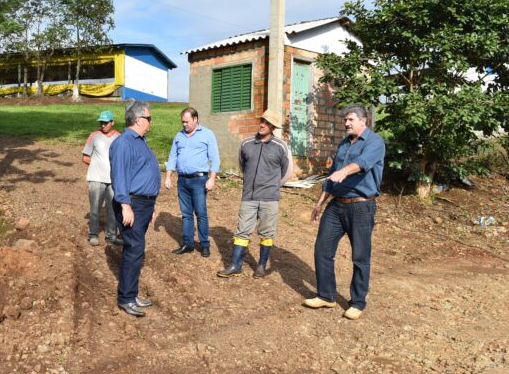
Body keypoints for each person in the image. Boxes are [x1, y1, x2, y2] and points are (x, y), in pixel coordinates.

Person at [303, 104, 385, 320]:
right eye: (345, 121)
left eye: (350, 120)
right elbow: (332, 175)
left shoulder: (375, 142)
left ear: (362, 121)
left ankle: (357, 302)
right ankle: (326, 296)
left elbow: (362, 164)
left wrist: (344, 171)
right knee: (322, 249)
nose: (346, 124)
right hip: (336, 205)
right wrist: (320, 202)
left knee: (360, 256)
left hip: (361, 206)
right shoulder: (343, 144)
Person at [217, 109, 293, 278]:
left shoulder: (280, 146)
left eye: (267, 123)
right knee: (242, 231)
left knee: (267, 233)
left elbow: (287, 171)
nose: (263, 125)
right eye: (262, 121)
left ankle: (261, 266)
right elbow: (243, 166)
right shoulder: (246, 143)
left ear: (273, 127)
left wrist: (273, 185)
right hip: (249, 196)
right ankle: (235, 265)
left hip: (269, 198)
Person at [109, 100, 160, 317]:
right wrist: (126, 206)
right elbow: (119, 177)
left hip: (143, 204)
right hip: (132, 203)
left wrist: (151, 206)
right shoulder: (124, 143)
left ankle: (132, 293)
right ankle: (126, 298)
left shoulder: (140, 141)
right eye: (148, 118)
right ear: (138, 120)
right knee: (134, 250)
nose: (150, 122)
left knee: (136, 250)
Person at [164, 107, 220, 258]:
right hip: (182, 180)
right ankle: (188, 244)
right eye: (182, 122)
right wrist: (168, 176)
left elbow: (214, 157)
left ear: (195, 119)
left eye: (187, 122)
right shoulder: (179, 136)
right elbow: (173, 156)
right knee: (186, 214)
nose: (184, 125)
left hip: (199, 180)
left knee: (201, 213)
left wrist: (212, 178)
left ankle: (204, 244)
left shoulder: (207, 134)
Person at [82, 110, 123, 247]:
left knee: (113, 209)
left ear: (112, 122)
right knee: (94, 209)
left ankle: (111, 236)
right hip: (96, 178)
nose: (103, 125)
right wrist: (97, 164)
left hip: (113, 180)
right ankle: (93, 234)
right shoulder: (94, 136)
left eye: (106, 122)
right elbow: (85, 157)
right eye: (101, 122)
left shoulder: (119, 137)